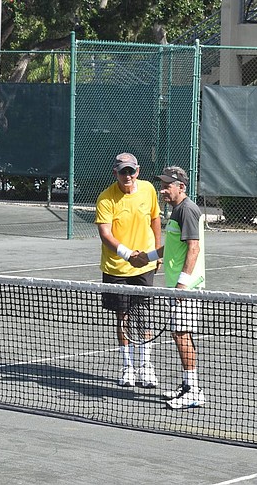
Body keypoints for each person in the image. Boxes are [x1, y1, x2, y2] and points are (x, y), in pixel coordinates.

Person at [131, 166, 206, 409]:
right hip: (176, 286)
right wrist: (148, 256)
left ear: (181, 187)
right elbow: (173, 247)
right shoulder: (177, 211)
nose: (162, 190)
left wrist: (182, 284)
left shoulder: (187, 210)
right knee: (179, 334)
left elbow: (193, 248)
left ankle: (193, 391)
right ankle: (188, 386)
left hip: (185, 287)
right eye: (161, 186)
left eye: (167, 186)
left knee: (181, 334)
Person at [95, 152, 162, 388]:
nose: (127, 176)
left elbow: (155, 220)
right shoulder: (106, 198)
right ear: (115, 172)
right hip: (117, 268)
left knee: (143, 317)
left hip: (145, 267)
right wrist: (128, 255)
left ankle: (145, 366)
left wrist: (156, 252)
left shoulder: (149, 190)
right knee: (122, 317)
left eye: (131, 171)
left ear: (137, 171)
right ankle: (128, 367)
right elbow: (105, 234)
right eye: (123, 171)